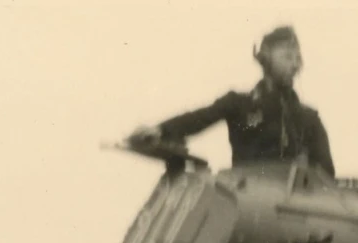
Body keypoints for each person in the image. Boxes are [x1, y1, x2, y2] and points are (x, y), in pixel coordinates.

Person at [132, 25, 335, 177]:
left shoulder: (308, 119)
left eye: (297, 58)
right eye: (287, 57)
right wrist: (161, 130)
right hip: (249, 194)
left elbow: (327, 178)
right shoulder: (240, 105)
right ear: (265, 58)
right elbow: (200, 118)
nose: (295, 65)